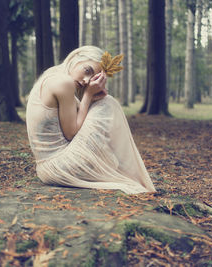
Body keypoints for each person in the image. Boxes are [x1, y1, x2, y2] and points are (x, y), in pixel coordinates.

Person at [26, 46, 156, 194]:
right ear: (76, 58)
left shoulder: (51, 76)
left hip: (45, 169)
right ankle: (127, 171)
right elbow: (71, 133)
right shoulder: (64, 82)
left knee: (103, 103)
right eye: (87, 70)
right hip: (58, 166)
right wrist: (88, 96)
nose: (86, 80)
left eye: (92, 79)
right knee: (108, 103)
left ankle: (116, 166)